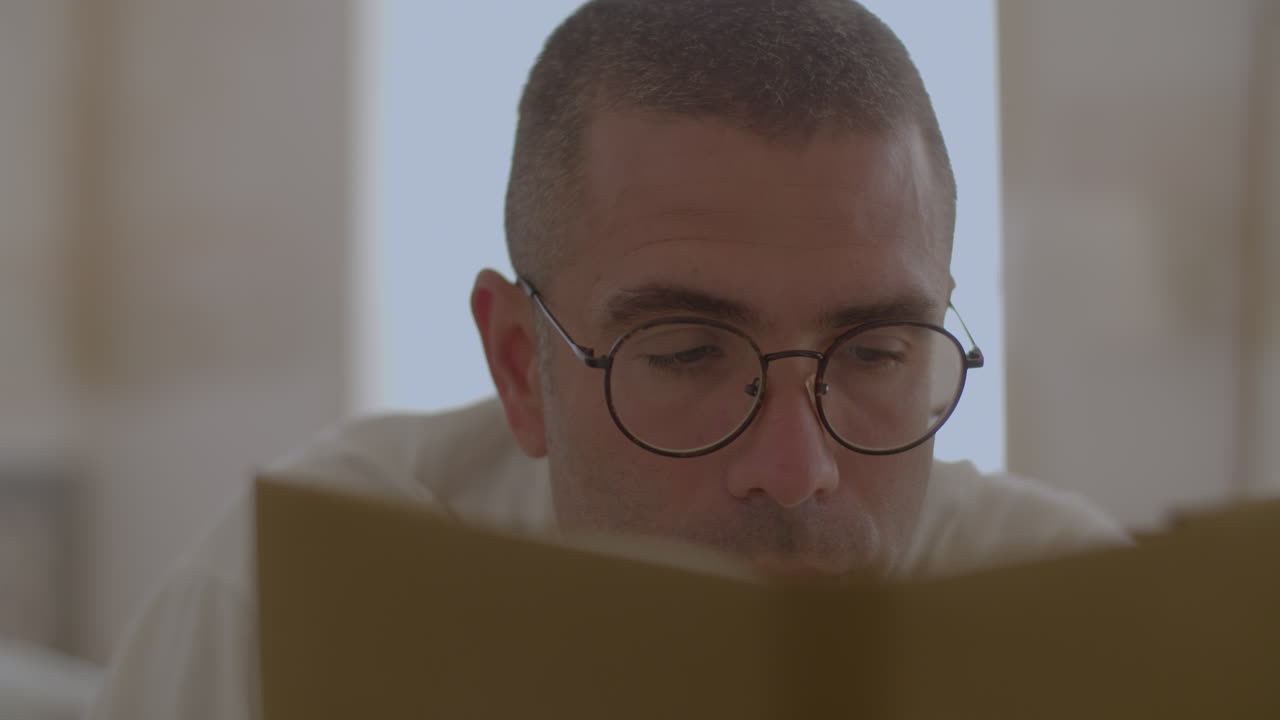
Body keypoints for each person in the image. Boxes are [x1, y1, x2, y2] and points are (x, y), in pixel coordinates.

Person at [88, 1, 1125, 717]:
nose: (796, 469)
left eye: (876, 352)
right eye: (682, 353)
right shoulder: (282, 609)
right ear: (516, 364)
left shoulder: (1075, 618)